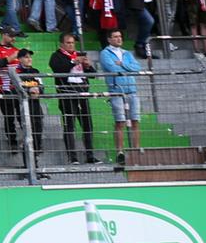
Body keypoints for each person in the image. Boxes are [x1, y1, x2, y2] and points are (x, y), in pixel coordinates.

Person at [50, 33, 97, 164]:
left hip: (82, 92)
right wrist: (73, 62)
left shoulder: (79, 55)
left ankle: (90, 155)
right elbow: (58, 69)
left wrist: (87, 65)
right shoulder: (56, 56)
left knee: (87, 125)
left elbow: (93, 74)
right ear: (62, 44)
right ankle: (73, 157)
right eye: (68, 43)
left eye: (72, 43)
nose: (71, 45)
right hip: (67, 93)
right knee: (70, 126)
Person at [99, 28, 142, 164]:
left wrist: (123, 64)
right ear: (109, 39)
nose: (119, 39)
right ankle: (120, 151)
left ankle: (136, 150)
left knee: (135, 121)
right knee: (120, 122)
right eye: (115, 36)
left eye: (120, 36)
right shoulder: (105, 53)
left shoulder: (127, 53)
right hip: (117, 90)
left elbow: (137, 67)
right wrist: (127, 67)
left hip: (132, 90)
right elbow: (112, 69)